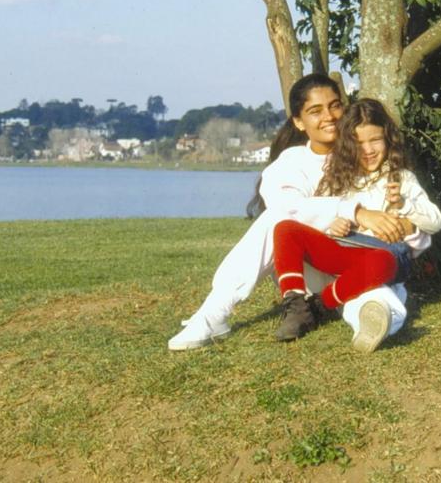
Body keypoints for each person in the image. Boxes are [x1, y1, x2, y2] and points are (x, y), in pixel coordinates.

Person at [168, 74, 412, 350]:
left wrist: (402, 221)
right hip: (309, 268)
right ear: (298, 121)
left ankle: (372, 319)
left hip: (358, 265)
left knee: (375, 294)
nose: (329, 116)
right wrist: (354, 212)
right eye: (315, 111)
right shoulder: (291, 162)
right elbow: (287, 208)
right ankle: (214, 312)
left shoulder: (367, 153)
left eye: (335, 106)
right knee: (274, 219)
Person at [272, 98, 441, 352]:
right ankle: (296, 305)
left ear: (388, 139)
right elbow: (321, 217)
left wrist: (403, 204)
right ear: (346, 145)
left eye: (375, 140)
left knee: (377, 285)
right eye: (358, 143)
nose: (368, 150)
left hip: (383, 260)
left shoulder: (401, 179)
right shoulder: (338, 178)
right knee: (285, 229)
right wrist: (334, 224)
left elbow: (436, 222)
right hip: (345, 254)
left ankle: (324, 307)